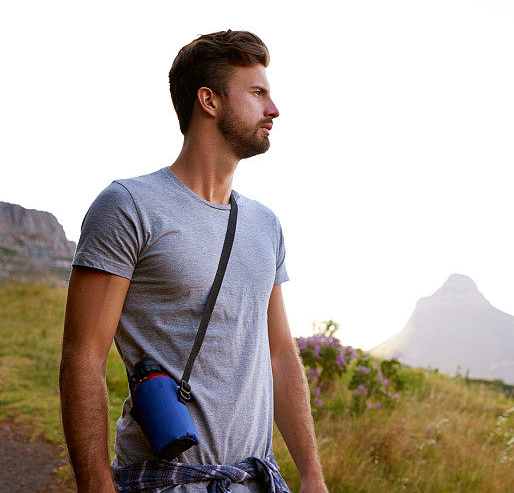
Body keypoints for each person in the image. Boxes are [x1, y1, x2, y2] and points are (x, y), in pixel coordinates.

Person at [59, 30, 328, 492]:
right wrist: (96, 484)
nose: (274, 109)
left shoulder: (265, 224)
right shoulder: (129, 205)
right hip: (165, 480)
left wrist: (312, 475)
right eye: (258, 93)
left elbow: (280, 354)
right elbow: (83, 356)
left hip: (255, 479)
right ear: (209, 100)